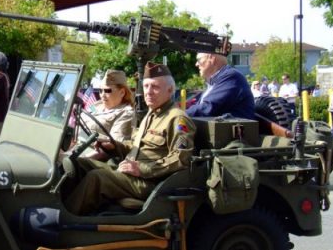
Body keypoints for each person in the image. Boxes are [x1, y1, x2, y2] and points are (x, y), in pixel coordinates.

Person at [65, 62, 196, 216]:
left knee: (97, 178)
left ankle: (66, 220)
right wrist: (114, 147)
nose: (148, 92)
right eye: (146, 86)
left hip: (151, 182)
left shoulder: (178, 119)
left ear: (170, 90)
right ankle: (59, 206)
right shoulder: (151, 114)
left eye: (155, 87)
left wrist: (141, 169)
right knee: (77, 163)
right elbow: (135, 145)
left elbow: (181, 159)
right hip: (130, 172)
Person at [80, 69, 135, 159]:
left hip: (92, 157)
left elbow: (111, 148)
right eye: (100, 91)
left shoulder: (126, 113)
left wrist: (80, 159)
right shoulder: (96, 105)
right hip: (76, 146)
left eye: (107, 91)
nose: (102, 95)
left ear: (122, 92)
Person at [186, 53, 255, 119]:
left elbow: (208, 107)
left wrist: (180, 114)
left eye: (199, 60)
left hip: (232, 130)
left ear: (211, 58)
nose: (196, 64)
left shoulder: (231, 76)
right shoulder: (216, 81)